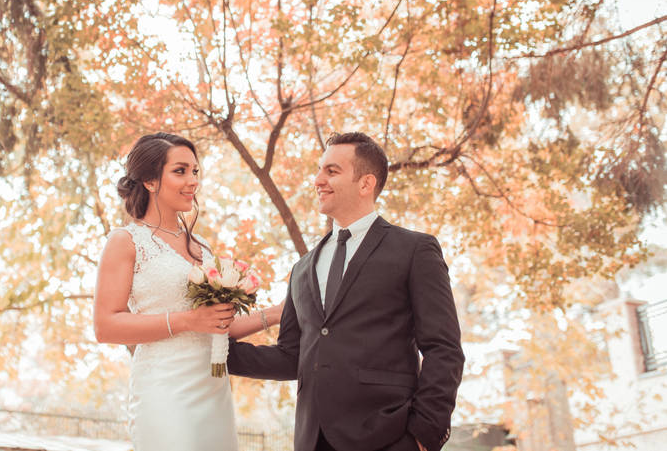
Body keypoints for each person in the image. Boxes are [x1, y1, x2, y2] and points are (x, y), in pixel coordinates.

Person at [228, 132, 464, 451]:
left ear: (366, 184)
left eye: (332, 171)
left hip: (390, 436)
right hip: (313, 440)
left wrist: (424, 434)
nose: (318, 180)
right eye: (319, 170)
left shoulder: (414, 250)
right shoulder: (302, 269)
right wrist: (213, 352)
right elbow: (291, 358)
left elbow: (443, 348)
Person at [93, 132, 283, 451]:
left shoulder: (202, 248)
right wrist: (188, 320)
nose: (192, 180)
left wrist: (277, 312)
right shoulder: (125, 241)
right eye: (180, 171)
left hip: (212, 388)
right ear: (151, 181)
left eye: (195, 171)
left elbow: (218, 325)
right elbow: (105, 326)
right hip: (164, 389)